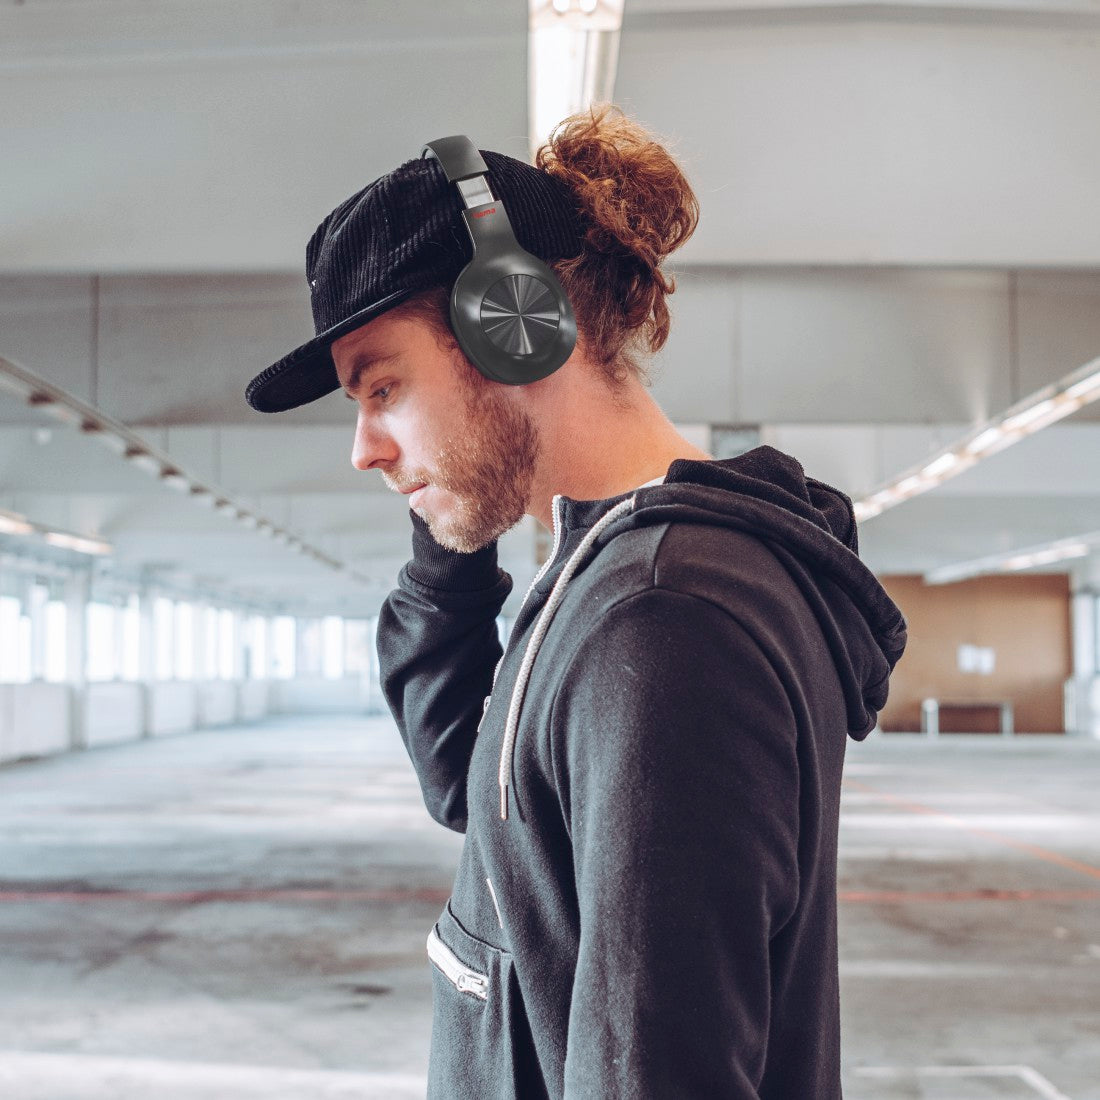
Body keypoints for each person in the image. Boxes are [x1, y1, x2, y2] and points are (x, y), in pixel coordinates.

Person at [245, 103, 908, 1099]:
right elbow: (470, 785)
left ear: (511, 328)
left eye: (381, 390)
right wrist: (449, 500)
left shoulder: (663, 619)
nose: (362, 449)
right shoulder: (605, 574)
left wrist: (454, 454)